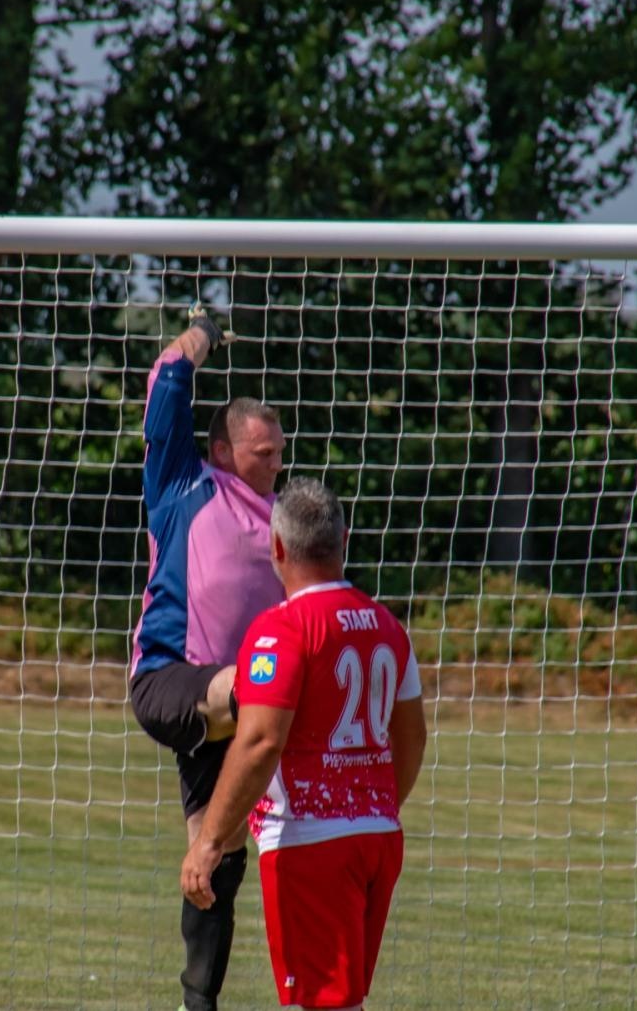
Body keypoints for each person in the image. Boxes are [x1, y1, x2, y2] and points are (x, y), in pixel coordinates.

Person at [180, 478, 427, 1011]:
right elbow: (412, 735)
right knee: (342, 999)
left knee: (320, 1004)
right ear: (345, 540)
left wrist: (209, 841)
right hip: (378, 836)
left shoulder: (280, 631)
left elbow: (260, 743)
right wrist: (379, 806)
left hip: (310, 841)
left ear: (277, 548)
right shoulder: (387, 625)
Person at [129, 301, 286, 1011]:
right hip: (170, 683)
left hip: (232, 711)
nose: (275, 463)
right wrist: (205, 334)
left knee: (213, 862)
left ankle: (198, 1005)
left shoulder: (287, 521)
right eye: (262, 453)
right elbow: (166, 377)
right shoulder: (181, 483)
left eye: (280, 451)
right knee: (263, 691)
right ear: (224, 451)